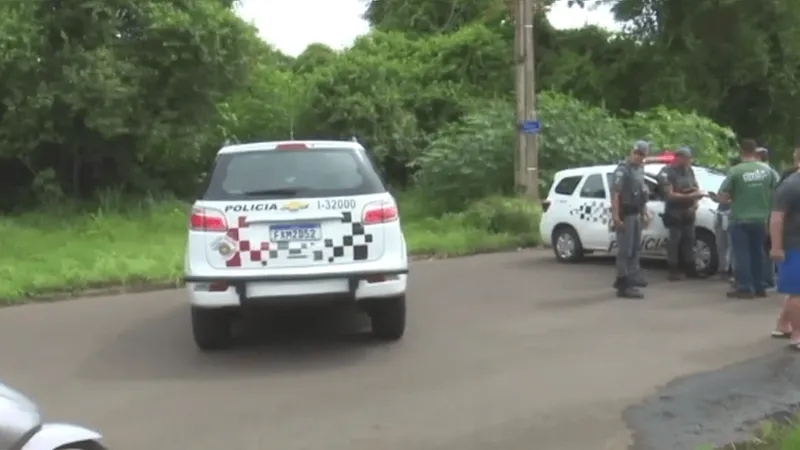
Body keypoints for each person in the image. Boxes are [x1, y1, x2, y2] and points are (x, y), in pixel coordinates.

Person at [718, 138, 778, 298]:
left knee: (742, 254)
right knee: (758, 253)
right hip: (761, 219)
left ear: (741, 151)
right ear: (755, 151)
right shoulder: (767, 170)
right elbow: (778, 189)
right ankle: (760, 286)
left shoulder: (736, 171)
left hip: (740, 218)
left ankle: (745, 287)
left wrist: (731, 200)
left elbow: (723, 195)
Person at [611, 140, 653, 298]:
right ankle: (623, 284)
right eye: (637, 153)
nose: (639, 157)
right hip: (625, 213)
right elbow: (616, 194)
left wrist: (644, 211)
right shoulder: (623, 170)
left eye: (642, 155)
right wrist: (616, 217)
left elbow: (641, 193)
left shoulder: (639, 169)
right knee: (625, 251)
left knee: (635, 248)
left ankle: (633, 276)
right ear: (632, 152)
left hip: (636, 212)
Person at [657, 146, 705, 280]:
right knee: (675, 240)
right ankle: (673, 269)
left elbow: (696, 188)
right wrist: (691, 197)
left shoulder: (689, 171)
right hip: (674, 211)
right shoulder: (667, 172)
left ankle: (690, 268)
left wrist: (694, 204)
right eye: (687, 158)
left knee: (690, 239)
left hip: (688, 210)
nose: (689, 161)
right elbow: (670, 195)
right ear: (679, 157)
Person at [769, 170, 800, 349]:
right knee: (797, 293)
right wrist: (776, 247)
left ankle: (783, 325)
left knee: (796, 291)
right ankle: (797, 335)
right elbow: (776, 218)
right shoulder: (791, 186)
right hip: (794, 246)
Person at [756, 147, 779, 289]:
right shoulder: (772, 173)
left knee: (764, 248)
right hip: (768, 213)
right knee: (766, 247)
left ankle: (767, 280)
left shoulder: (766, 173)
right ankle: (768, 279)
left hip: (766, 214)